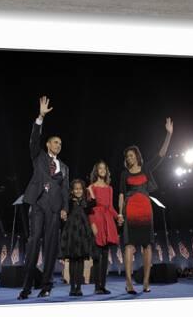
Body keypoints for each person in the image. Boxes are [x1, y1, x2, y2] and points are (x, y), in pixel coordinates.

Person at [18, 96, 70, 300]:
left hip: (55, 209)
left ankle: (46, 285)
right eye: (55, 142)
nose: (58, 145)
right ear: (48, 144)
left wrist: (65, 208)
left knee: (50, 247)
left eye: (60, 144)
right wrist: (40, 116)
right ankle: (27, 286)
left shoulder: (64, 167)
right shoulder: (38, 156)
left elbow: (65, 189)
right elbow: (33, 140)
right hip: (38, 205)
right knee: (33, 244)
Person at [118, 117, 173, 294]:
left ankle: (146, 282)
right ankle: (128, 283)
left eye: (132, 155)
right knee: (128, 246)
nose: (129, 158)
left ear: (137, 156)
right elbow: (120, 194)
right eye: (127, 156)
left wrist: (168, 135)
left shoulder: (146, 168)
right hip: (130, 211)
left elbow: (161, 155)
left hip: (145, 211)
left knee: (147, 246)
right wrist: (120, 213)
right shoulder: (124, 174)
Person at [58, 179, 96, 296]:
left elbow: (94, 202)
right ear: (72, 191)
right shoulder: (69, 202)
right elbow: (64, 212)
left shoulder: (85, 202)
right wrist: (63, 213)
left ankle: (79, 287)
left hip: (82, 234)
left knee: (80, 261)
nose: (78, 191)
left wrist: (90, 190)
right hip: (71, 234)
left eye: (80, 188)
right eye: (76, 189)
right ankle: (72, 287)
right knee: (73, 261)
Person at [87, 161, 120, 294]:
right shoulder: (91, 187)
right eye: (100, 168)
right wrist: (92, 224)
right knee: (97, 255)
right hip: (96, 219)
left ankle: (103, 286)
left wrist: (118, 217)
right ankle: (96, 287)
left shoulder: (109, 188)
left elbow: (111, 207)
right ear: (96, 171)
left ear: (106, 171)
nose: (102, 170)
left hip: (108, 221)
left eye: (104, 168)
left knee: (106, 255)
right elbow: (89, 208)